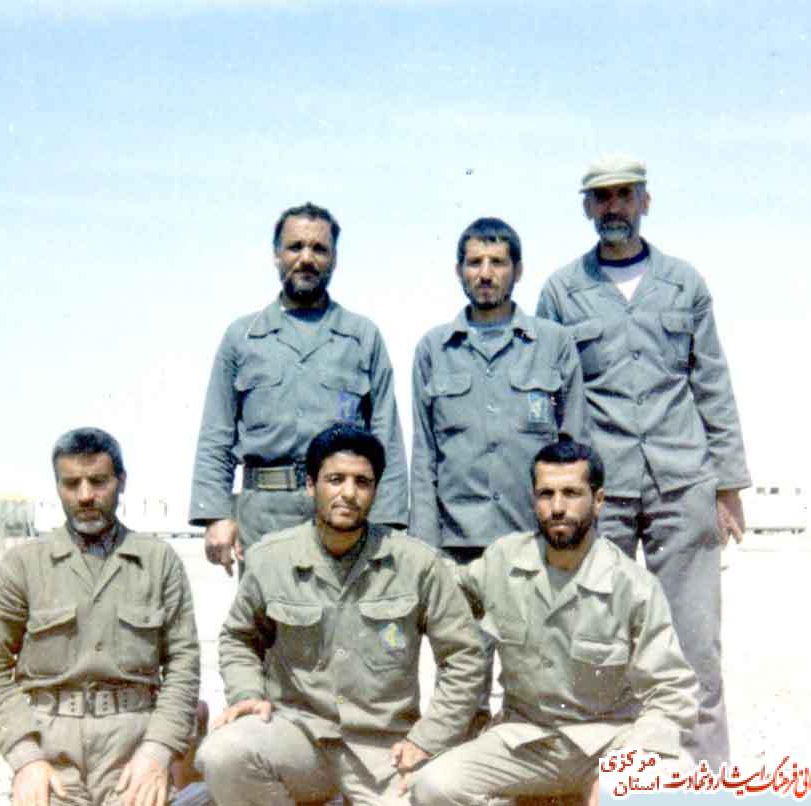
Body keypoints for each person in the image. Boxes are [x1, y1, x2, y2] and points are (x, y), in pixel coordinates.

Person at [535, 155, 750, 767]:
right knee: (592, 643)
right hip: (599, 494)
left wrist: (728, 485)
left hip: (682, 483)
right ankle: (597, 780)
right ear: (586, 208)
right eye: (602, 197)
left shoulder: (685, 284)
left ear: (645, 202)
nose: (614, 208)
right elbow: (549, 393)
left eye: (625, 195)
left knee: (695, 646)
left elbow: (712, 382)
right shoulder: (561, 292)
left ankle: (705, 780)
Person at [196, 423, 485, 805]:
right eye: (335, 479)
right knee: (223, 753)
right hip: (298, 740)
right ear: (310, 485)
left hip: (386, 751)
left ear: (375, 491)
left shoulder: (417, 564)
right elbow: (239, 637)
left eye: (362, 482)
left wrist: (428, 738)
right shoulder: (271, 559)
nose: (348, 493)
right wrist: (248, 693)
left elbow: (465, 657)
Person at [410, 435, 698, 806]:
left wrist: (624, 769)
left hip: (607, 743)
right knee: (434, 785)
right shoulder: (504, 561)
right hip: (525, 740)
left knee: (674, 776)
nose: (557, 507)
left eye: (571, 493)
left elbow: (671, 692)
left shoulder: (633, 586)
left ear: (598, 500)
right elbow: (442, 587)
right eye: (546, 494)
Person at [0, 427, 201, 806]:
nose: (85, 496)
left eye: (98, 481)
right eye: (71, 483)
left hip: (134, 748)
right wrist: (27, 760)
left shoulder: (158, 562)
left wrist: (157, 752)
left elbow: (183, 666)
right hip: (52, 752)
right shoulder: (22, 565)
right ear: (57, 486)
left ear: (121, 481)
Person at [190, 202, 409, 576]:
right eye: (295, 247)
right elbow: (217, 432)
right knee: (267, 611)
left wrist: (388, 523)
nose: (306, 258)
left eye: (319, 249)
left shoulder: (362, 337)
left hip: (344, 511)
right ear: (276, 255)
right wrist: (215, 515)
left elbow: (385, 435)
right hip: (265, 515)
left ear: (334, 258)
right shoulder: (243, 337)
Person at [411, 216, 590, 557]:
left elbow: (576, 446)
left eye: (497, 262)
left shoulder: (553, 344)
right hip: (456, 545)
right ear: (459, 271)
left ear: (518, 271)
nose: (485, 273)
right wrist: (423, 549)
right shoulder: (434, 349)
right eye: (474, 262)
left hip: (536, 539)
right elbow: (424, 459)